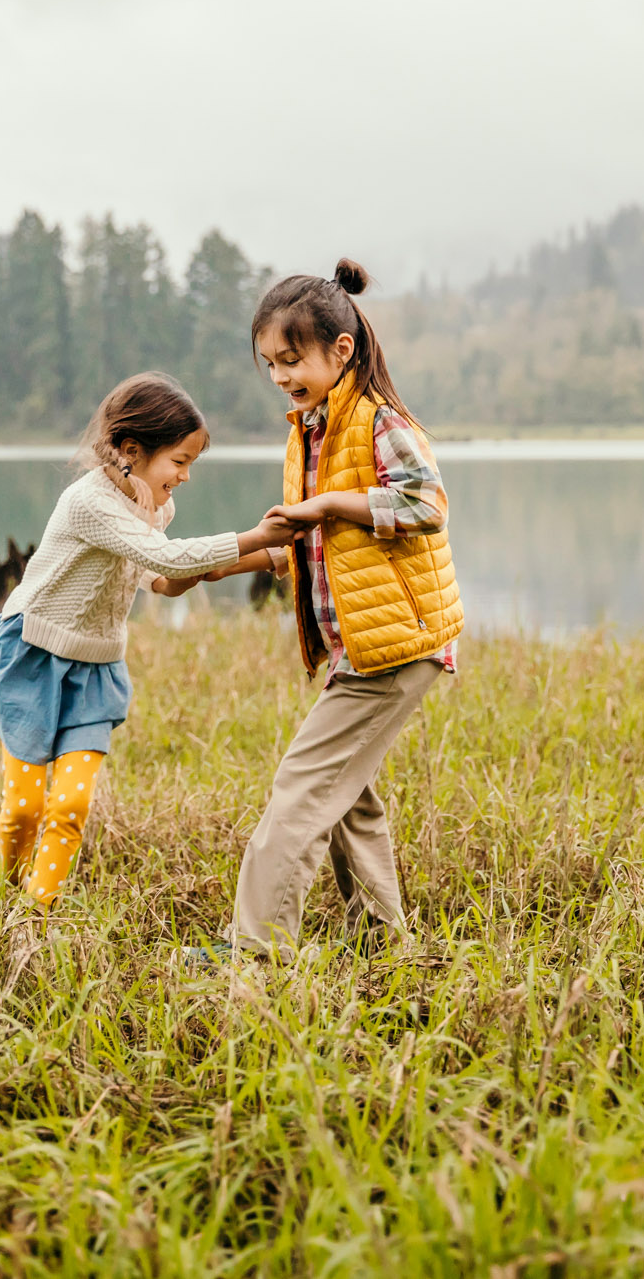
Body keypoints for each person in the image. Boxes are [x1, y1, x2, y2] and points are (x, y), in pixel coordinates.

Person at [188, 259, 464, 964]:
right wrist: (212, 567)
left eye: (292, 358)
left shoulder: (379, 425)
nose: (281, 375)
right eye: (270, 363)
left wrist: (331, 504)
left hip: (399, 646)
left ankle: (255, 952)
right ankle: (383, 942)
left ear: (341, 352)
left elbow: (428, 505)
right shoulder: (310, 431)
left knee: (302, 790)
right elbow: (308, 546)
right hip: (363, 649)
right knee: (350, 796)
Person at [0, 372, 298, 909]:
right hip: (34, 657)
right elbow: (169, 559)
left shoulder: (154, 506)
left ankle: (38, 914)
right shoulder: (90, 503)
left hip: (94, 670)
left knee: (70, 807)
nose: (186, 476)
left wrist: (265, 557)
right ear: (133, 451)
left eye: (191, 464)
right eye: (180, 462)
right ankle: (7, 894)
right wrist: (254, 536)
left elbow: (165, 580)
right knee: (25, 809)